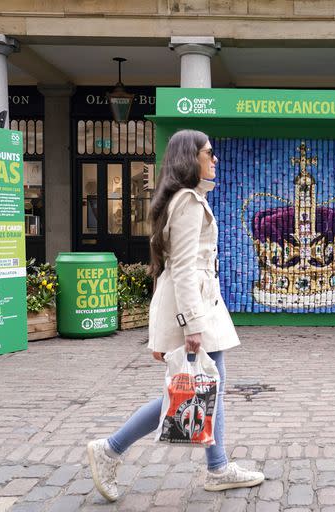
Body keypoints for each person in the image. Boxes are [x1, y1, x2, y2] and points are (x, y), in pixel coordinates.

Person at [87, 129, 265, 502]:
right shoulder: (186, 202)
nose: (214, 159)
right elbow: (182, 269)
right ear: (190, 158)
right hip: (196, 307)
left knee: (203, 387)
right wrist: (191, 326)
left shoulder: (188, 199)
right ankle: (111, 449)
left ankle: (216, 467)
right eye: (208, 153)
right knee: (187, 390)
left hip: (199, 304)